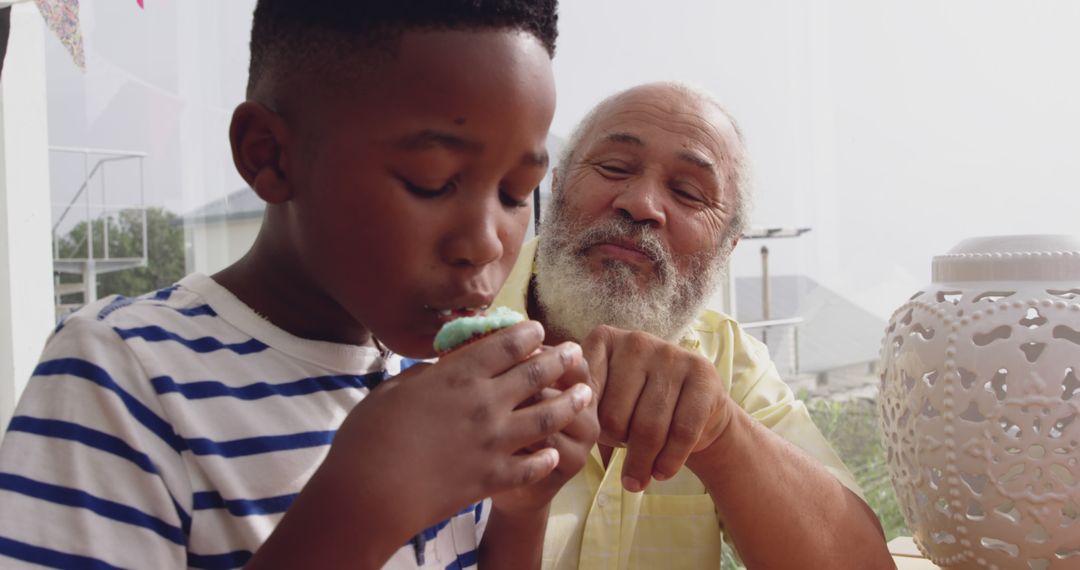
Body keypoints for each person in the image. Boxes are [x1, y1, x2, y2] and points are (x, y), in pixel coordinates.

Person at [0, 2, 601, 569]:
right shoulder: (122, 373)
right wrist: (363, 506)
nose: (490, 241)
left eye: (516, 194)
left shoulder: (458, 386)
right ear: (270, 157)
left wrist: (522, 510)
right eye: (432, 180)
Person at [492, 82, 894, 568]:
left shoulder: (728, 359)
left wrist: (719, 433)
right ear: (556, 185)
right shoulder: (448, 332)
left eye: (687, 192)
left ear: (728, 248)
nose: (641, 204)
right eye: (614, 167)